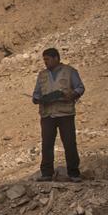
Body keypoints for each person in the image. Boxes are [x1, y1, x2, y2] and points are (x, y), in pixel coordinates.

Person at [32, 48, 85, 182]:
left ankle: (74, 174)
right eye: (44, 60)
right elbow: (36, 93)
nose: (45, 62)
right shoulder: (42, 75)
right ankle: (46, 174)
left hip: (65, 114)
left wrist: (72, 94)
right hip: (47, 115)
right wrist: (37, 99)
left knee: (69, 144)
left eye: (47, 59)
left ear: (56, 58)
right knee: (47, 144)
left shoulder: (70, 71)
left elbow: (80, 87)